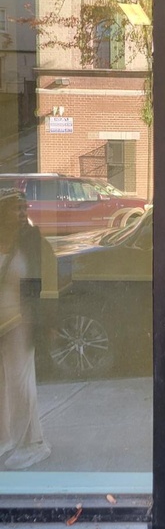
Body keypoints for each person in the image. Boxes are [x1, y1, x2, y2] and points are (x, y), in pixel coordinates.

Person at [0, 191, 52, 470]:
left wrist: (40, 324)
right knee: (2, 384)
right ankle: (6, 438)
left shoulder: (30, 239)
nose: (22, 213)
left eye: (24, 207)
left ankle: (32, 443)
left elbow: (40, 282)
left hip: (21, 322)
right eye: (15, 208)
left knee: (21, 384)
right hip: (1, 323)